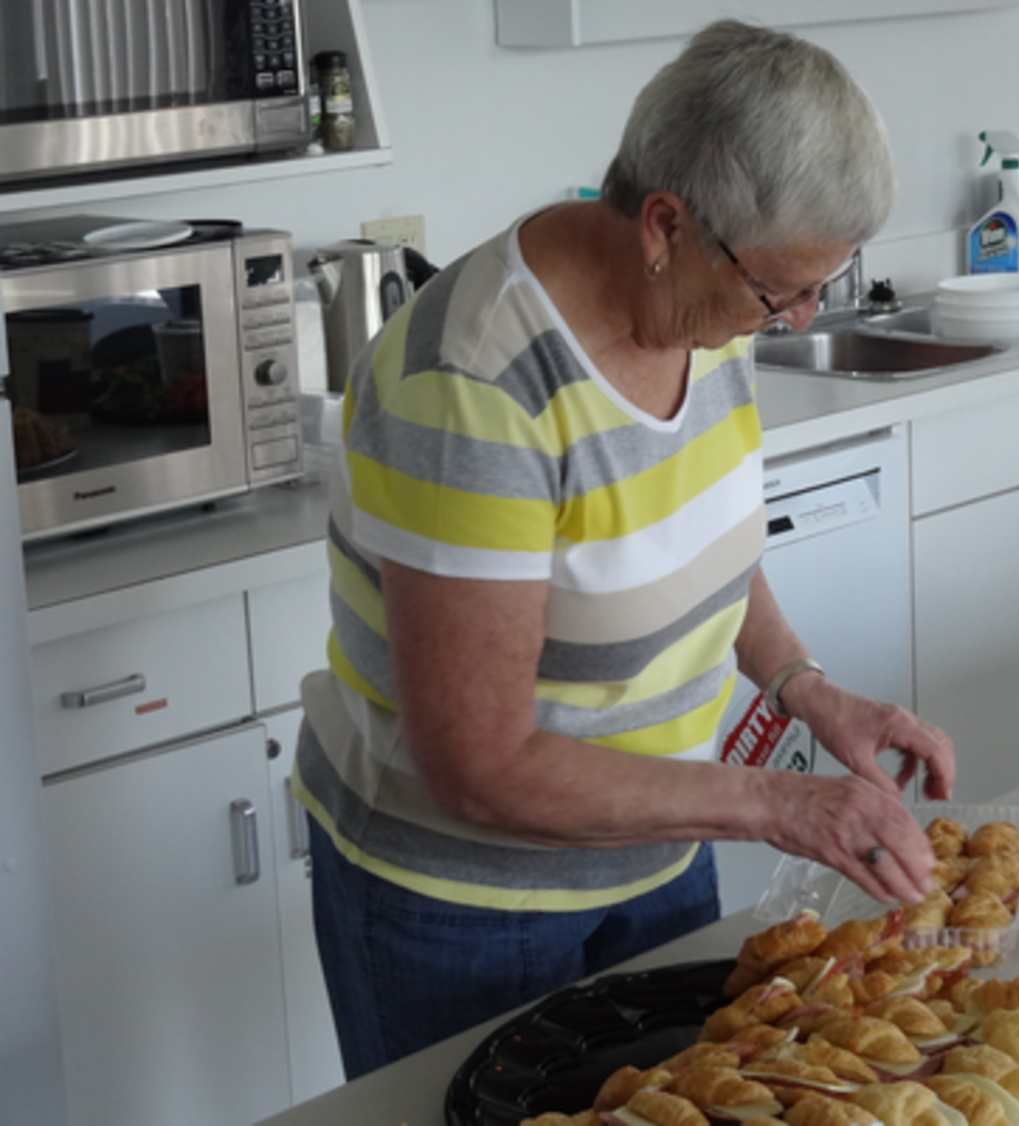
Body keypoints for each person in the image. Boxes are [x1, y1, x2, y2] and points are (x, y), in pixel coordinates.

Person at [293, 18, 955, 1080]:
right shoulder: (476, 385)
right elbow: (480, 765)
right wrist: (782, 806)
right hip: (467, 904)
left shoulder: (703, 311)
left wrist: (802, 685)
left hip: (657, 851)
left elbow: (699, 545)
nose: (798, 313)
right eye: (783, 288)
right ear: (665, 224)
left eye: (820, 284)